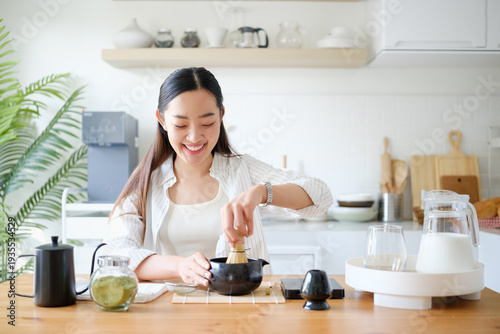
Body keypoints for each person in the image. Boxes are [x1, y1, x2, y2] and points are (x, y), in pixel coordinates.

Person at [103, 67, 333, 286]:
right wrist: (180, 266)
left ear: (221, 115)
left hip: (240, 313)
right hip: (169, 314)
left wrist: (262, 193)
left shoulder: (243, 171)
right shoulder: (145, 181)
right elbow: (116, 253)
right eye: (181, 124)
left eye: (207, 123)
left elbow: (320, 197)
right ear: (162, 120)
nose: (194, 137)